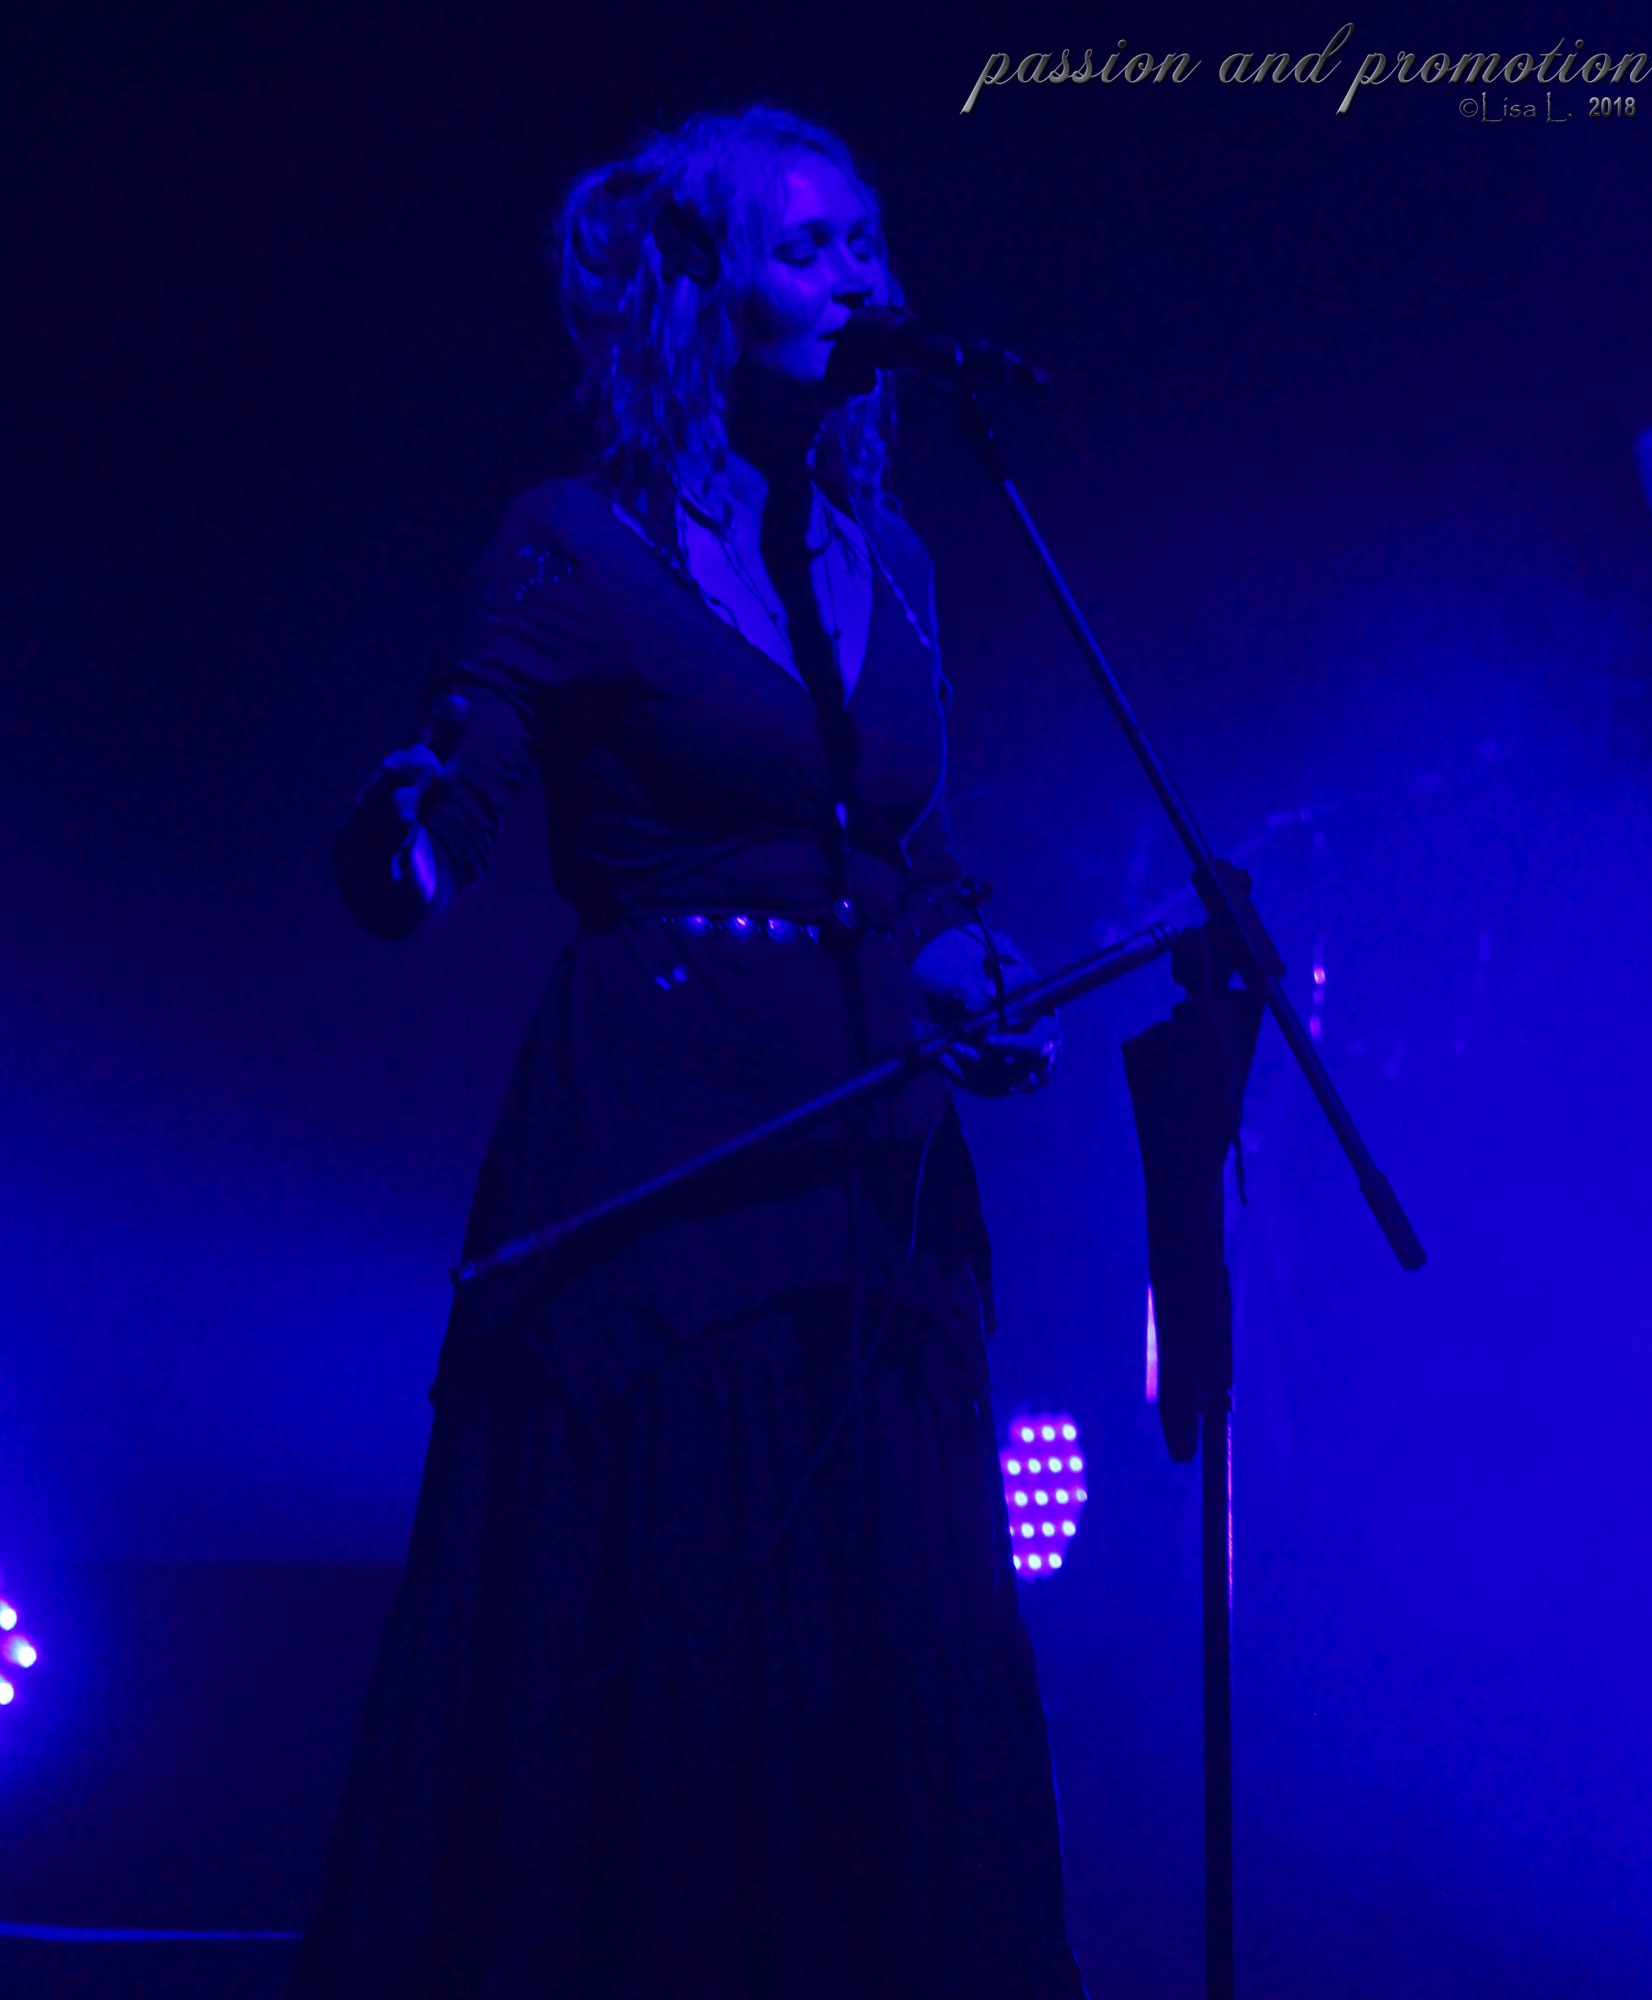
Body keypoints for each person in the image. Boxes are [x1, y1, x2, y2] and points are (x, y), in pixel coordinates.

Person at [291, 104, 1084, 2000]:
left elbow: (900, 855)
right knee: (675, 1621)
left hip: (871, 1164)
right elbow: (457, 792)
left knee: (876, 1634)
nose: (859, 278)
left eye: (868, 242)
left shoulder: (890, 557)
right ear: (701, 290)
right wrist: (402, 840)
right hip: (666, 1151)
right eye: (808, 246)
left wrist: (958, 955)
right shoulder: (577, 542)